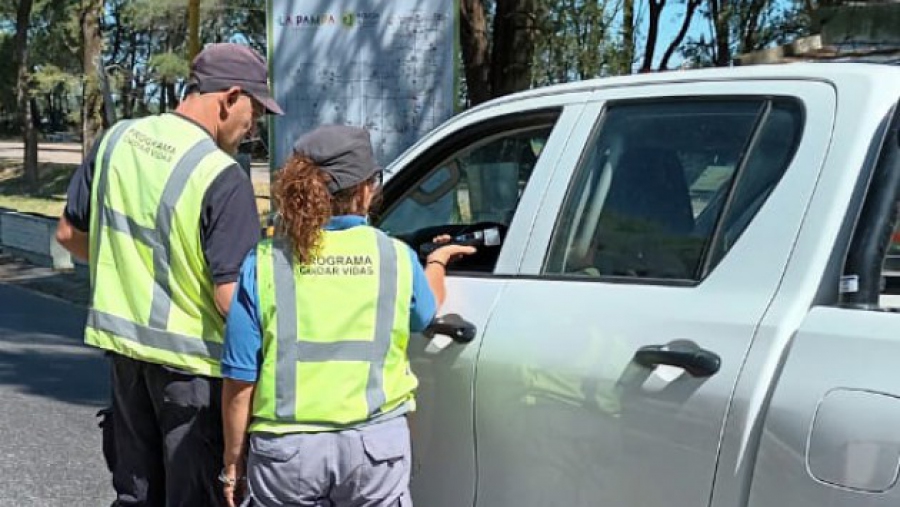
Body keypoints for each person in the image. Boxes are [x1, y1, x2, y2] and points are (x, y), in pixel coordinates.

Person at [55, 43, 283, 507]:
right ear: (230, 96)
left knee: (136, 496)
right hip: (194, 377)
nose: (252, 127)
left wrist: (130, 272)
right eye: (254, 111)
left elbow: (67, 235)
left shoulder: (115, 141)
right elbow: (229, 299)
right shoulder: (221, 175)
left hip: (124, 362)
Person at [220, 125, 474, 507]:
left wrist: (232, 463)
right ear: (366, 189)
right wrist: (436, 262)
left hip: (287, 453)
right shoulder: (396, 256)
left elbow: (240, 381)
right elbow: (425, 312)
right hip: (375, 448)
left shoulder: (266, 261)